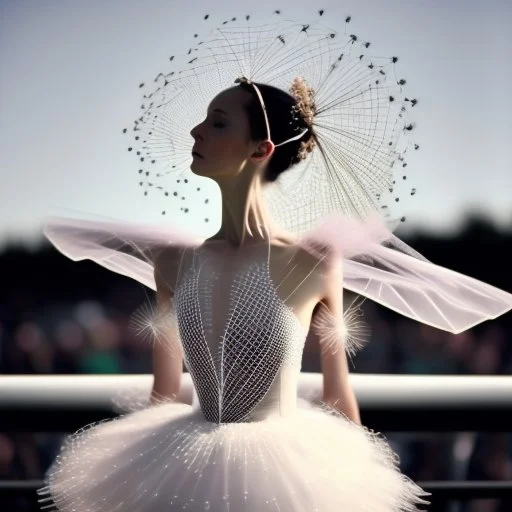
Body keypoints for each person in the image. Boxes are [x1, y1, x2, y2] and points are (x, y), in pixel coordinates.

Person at [37, 12, 512, 512]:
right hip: (178, 468)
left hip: (288, 476)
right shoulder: (172, 262)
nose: (196, 130)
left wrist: (358, 482)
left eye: (218, 122)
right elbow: (165, 396)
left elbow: (338, 396)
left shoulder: (311, 261)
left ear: (261, 148)